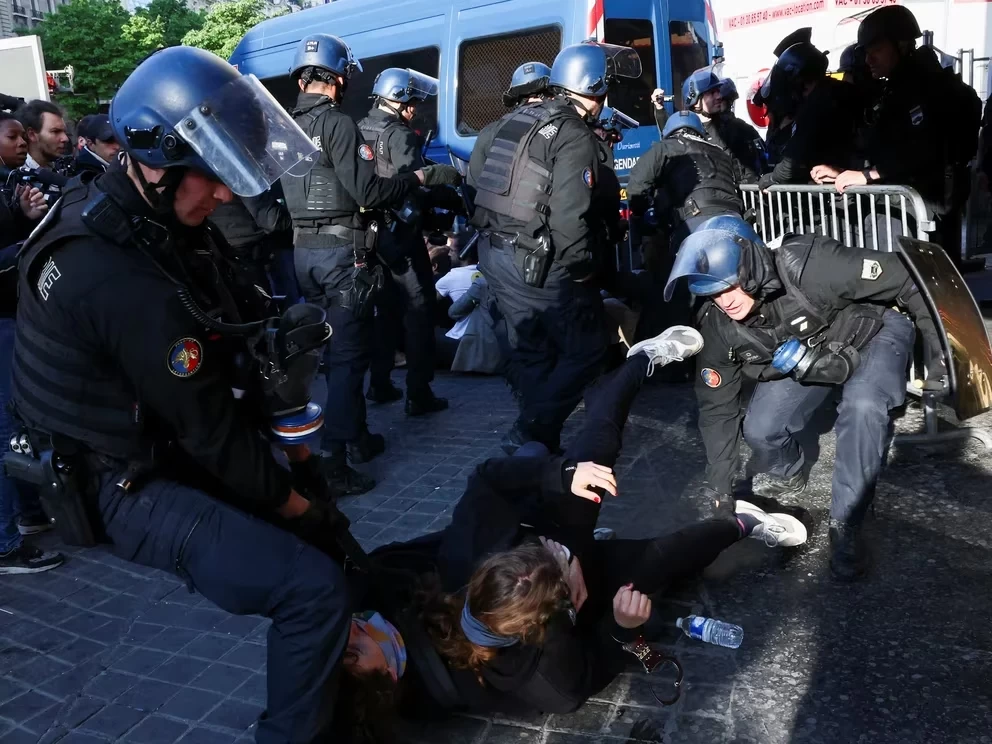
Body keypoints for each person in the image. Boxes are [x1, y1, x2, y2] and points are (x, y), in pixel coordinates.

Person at [9, 46, 358, 741]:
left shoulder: (148, 219)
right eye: (212, 177)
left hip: (158, 437)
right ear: (155, 161)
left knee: (323, 545)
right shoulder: (110, 271)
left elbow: (228, 327)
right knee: (311, 589)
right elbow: (208, 428)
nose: (226, 194)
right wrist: (296, 502)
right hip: (122, 482)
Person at [331, 328, 807, 741]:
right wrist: (624, 626)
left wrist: (562, 480)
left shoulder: (465, 557)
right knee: (665, 559)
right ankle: (744, 521)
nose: (356, 632)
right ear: (558, 610)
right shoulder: (550, 679)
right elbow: (596, 662)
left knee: (591, 457)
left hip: (538, 532)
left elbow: (488, 482)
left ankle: (641, 359)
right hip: (571, 590)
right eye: (356, 651)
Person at [664, 215, 946, 581]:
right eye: (713, 292)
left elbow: (910, 279)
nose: (725, 300)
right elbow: (716, 410)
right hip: (808, 355)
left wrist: (943, 355)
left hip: (872, 331)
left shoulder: (809, 266)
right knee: (761, 429)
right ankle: (789, 472)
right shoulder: (718, 325)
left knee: (862, 408)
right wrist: (721, 491)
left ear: (752, 265)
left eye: (730, 285)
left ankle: (847, 523)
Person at [282, 34, 462, 494]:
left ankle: (358, 437)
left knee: (334, 354)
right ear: (336, 77)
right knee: (347, 361)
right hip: (343, 256)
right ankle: (334, 460)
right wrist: (417, 177)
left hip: (305, 255)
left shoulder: (284, 127)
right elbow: (370, 193)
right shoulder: (337, 124)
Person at [469, 41, 642, 454]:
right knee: (587, 351)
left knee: (532, 351)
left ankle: (537, 446)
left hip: (494, 254)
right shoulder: (573, 133)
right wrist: (582, 269)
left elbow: (477, 184)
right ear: (593, 88)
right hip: (538, 263)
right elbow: (568, 218)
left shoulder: (509, 123)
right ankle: (530, 432)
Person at [811, 5, 981, 256]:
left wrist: (867, 175)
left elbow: (922, 148)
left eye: (876, 50)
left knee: (911, 287)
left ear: (901, 45)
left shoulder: (922, 87)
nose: (869, 59)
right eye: (867, 52)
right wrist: (842, 171)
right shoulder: (898, 87)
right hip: (905, 209)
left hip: (917, 211)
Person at [359, 67, 449, 415]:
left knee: (385, 314)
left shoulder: (358, 128)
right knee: (418, 312)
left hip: (369, 237)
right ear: (397, 102)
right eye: (411, 102)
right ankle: (418, 393)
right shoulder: (401, 136)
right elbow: (412, 186)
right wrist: (436, 212)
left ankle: (379, 384)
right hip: (401, 238)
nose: (414, 109)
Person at [756, 42, 862, 193]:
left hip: (843, 189)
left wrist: (770, 178)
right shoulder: (840, 91)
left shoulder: (818, 100)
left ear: (800, 81)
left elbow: (793, 159)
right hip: (854, 180)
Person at [627, 110, 742, 248]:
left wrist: (640, 214)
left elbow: (637, 186)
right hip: (734, 220)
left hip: (693, 222)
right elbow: (739, 177)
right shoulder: (720, 152)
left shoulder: (664, 148)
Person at [681, 67, 765, 182]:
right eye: (712, 93)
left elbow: (754, 166)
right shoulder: (686, 134)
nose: (719, 96)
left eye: (718, 91)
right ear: (695, 102)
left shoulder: (737, 128)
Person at [14, 99, 69, 172]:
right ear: (32, 134)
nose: (65, 138)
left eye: (64, 132)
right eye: (56, 131)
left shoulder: (60, 169)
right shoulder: (16, 176)